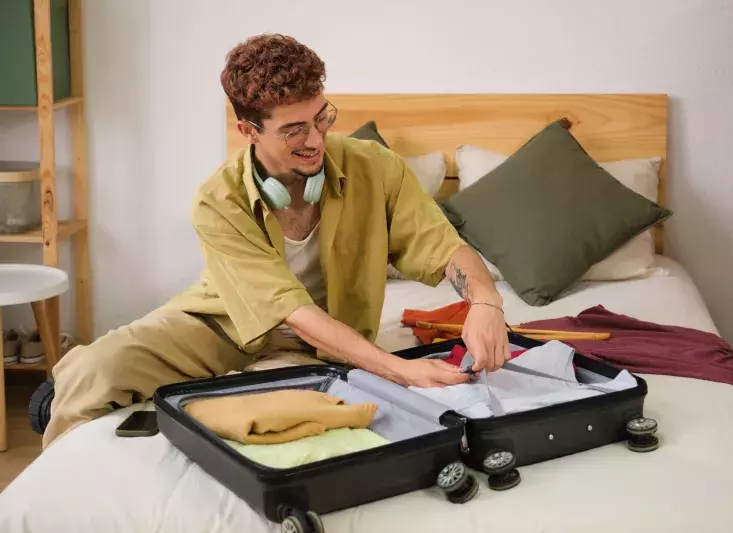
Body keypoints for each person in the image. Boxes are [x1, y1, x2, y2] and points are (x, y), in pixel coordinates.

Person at [42, 34, 510, 448]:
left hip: (316, 346)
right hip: (219, 322)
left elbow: (444, 246)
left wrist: (487, 302)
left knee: (268, 416)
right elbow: (291, 310)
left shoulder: (377, 167)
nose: (316, 140)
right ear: (248, 130)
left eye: (321, 118)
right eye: (294, 130)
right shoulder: (216, 199)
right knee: (93, 371)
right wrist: (397, 369)